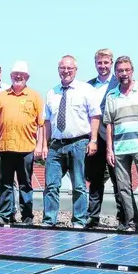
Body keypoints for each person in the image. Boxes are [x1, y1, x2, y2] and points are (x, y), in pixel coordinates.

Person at [102, 55, 138, 233]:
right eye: (120, 71)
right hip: (120, 149)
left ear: (132, 71)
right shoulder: (112, 95)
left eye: (127, 70)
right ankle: (133, 222)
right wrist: (109, 150)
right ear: (116, 73)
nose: (124, 73)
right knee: (123, 188)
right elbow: (109, 125)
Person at [41, 55, 103, 227]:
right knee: (51, 185)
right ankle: (49, 220)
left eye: (69, 68)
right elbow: (47, 121)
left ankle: (79, 220)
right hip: (56, 144)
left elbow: (95, 116)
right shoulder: (52, 92)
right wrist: (44, 144)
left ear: (75, 70)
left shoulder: (86, 90)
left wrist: (94, 140)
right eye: (63, 68)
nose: (66, 71)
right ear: (58, 70)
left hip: (79, 143)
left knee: (79, 185)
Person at [0, 61, 43, 224]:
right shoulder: (1, 97)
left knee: (25, 184)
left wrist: (40, 145)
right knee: (5, 184)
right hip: (4, 147)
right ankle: (4, 214)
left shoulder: (34, 96)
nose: (18, 77)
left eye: (21, 75)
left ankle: (27, 215)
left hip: (26, 148)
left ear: (27, 77)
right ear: (11, 76)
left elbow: (41, 123)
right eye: (15, 74)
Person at [83, 48, 117, 229]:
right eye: (99, 63)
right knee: (95, 179)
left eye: (106, 63)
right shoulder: (87, 86)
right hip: (94, 137)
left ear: (111, 63)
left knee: (118, 179)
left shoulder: (119, 82)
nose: (102, 66)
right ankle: (93, 216)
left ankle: (124, 217)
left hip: (114, 138)